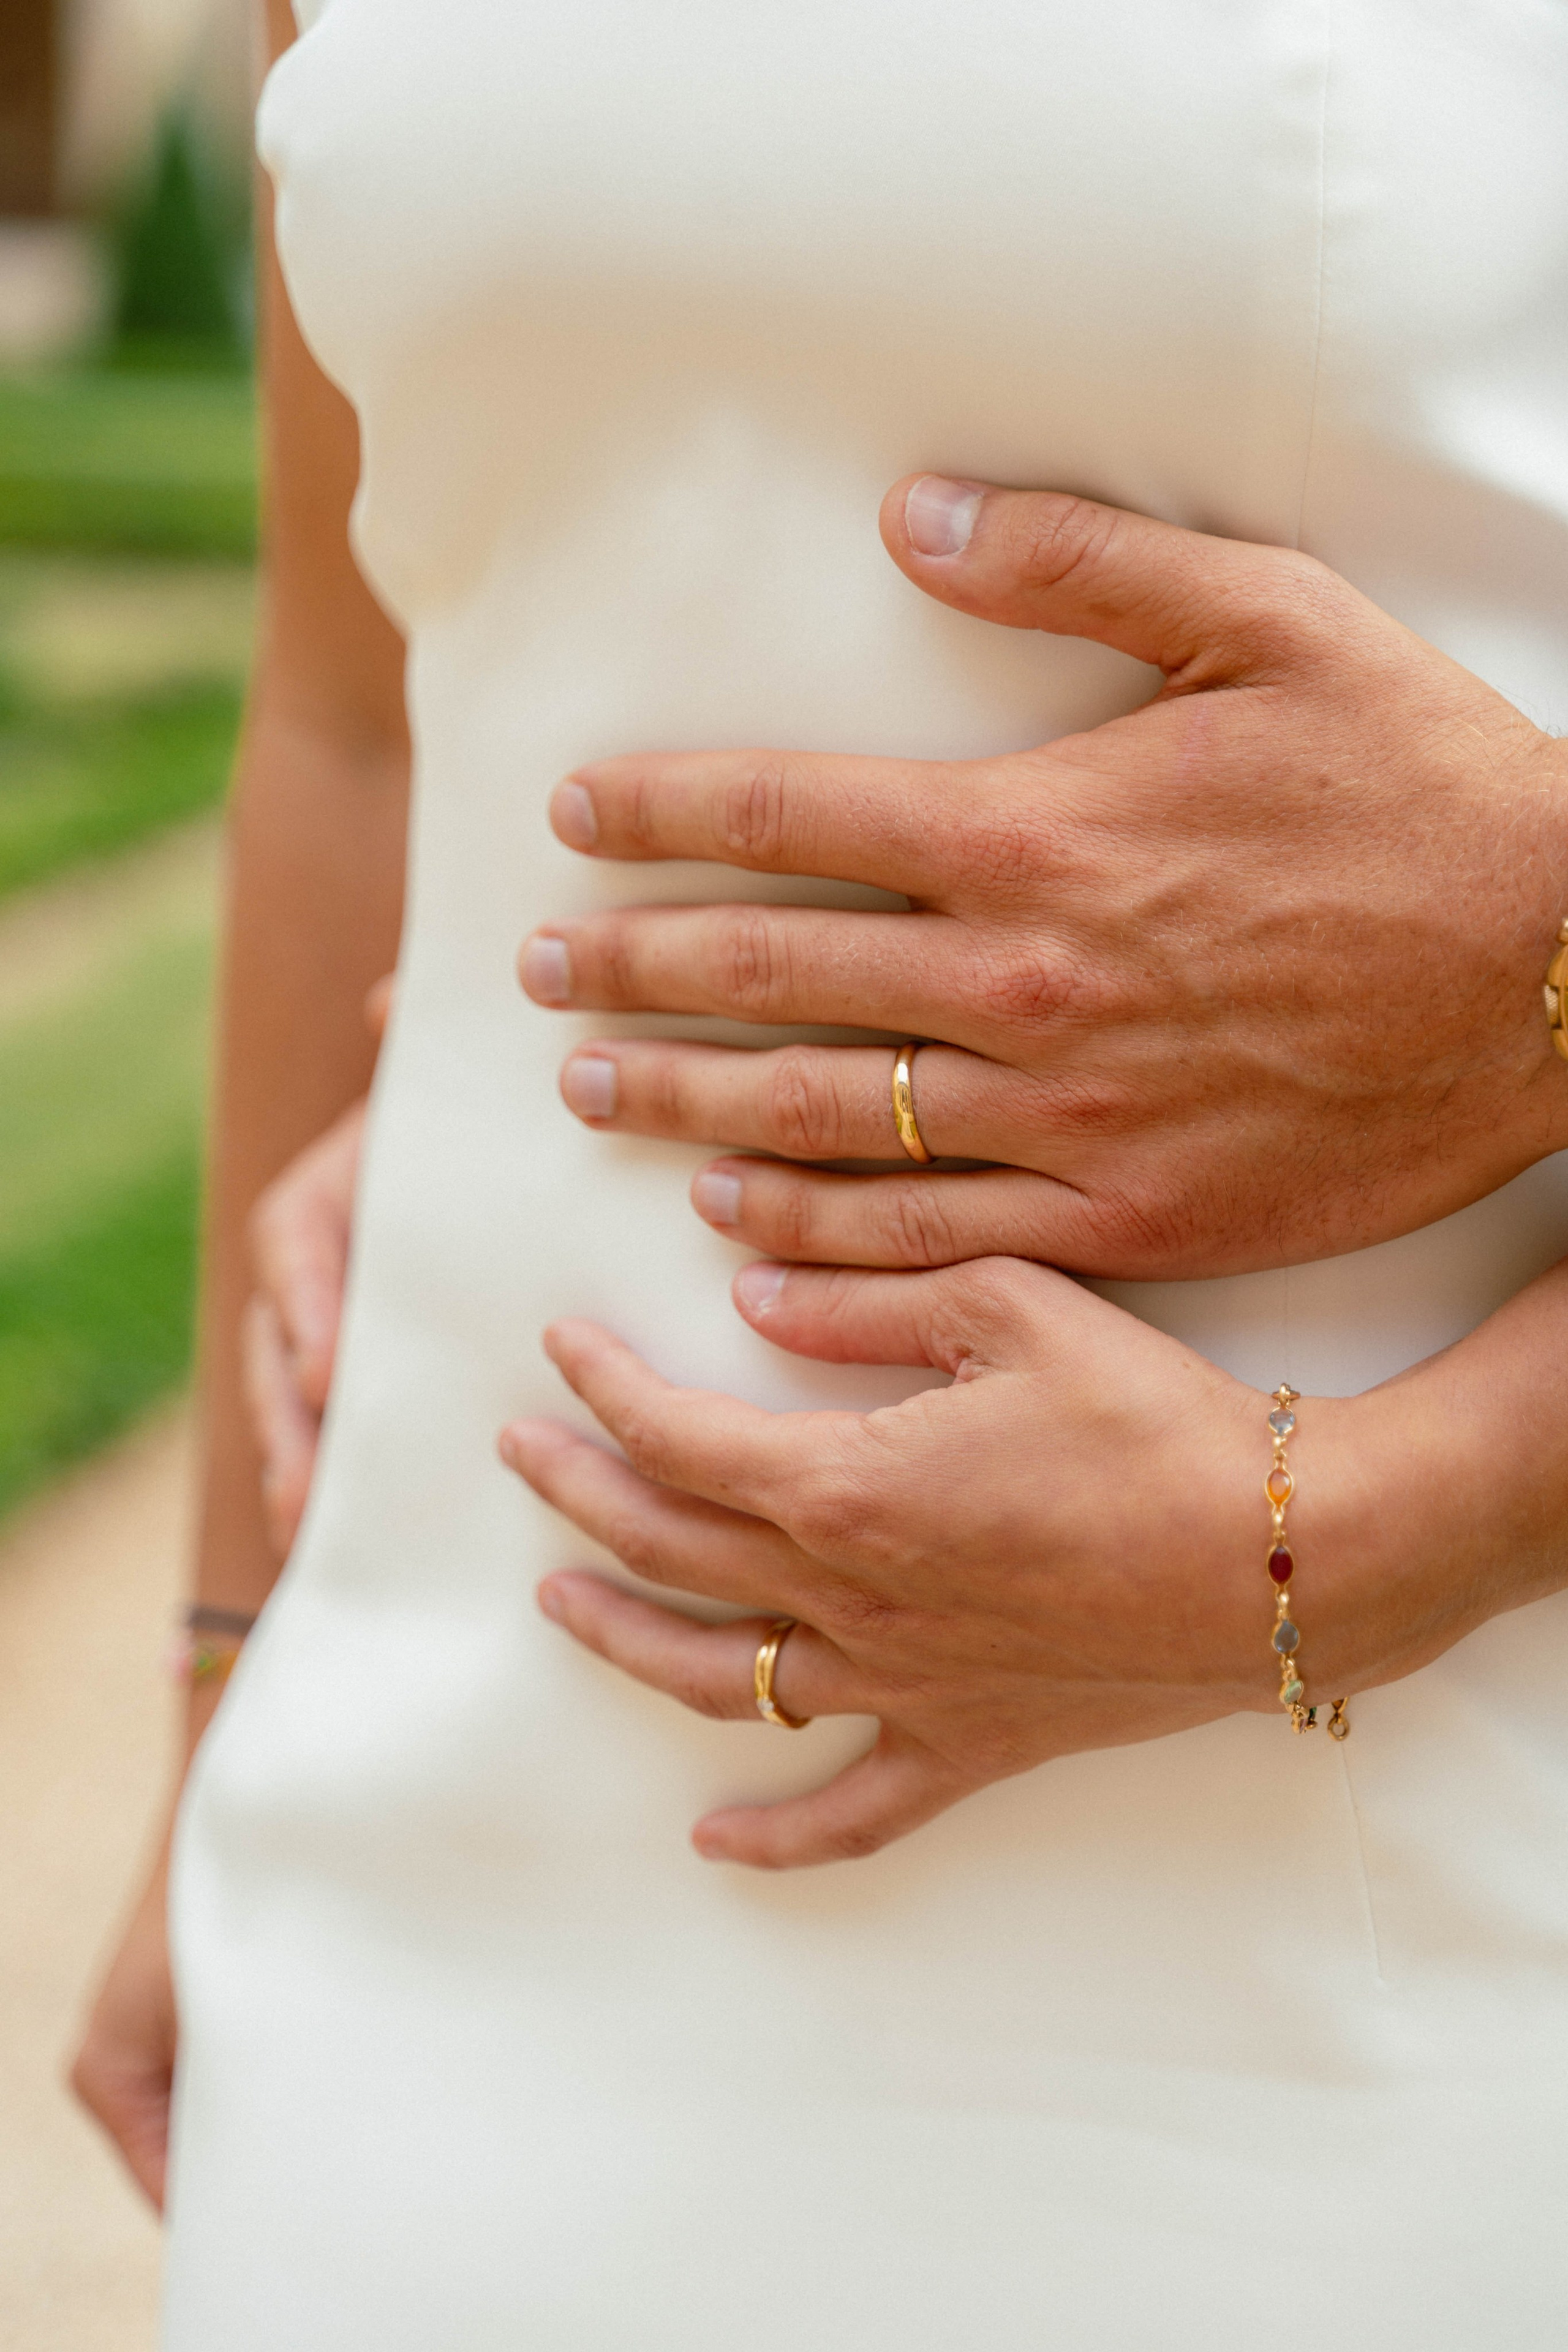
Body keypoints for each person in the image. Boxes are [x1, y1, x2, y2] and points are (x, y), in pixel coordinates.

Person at [74, 1, 1568, 2342]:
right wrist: (225, 1676)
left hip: (1381, 1899)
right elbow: (360, 715)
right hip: (448, 1875)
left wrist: (1404, 1521)